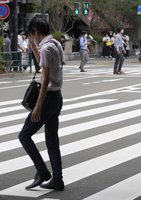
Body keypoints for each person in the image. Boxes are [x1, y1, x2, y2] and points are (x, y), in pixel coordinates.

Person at [18, 16, 65, 191]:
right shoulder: (55, 44)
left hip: (47, 99)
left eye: (32, 34)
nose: (32, 37)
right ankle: (57, 179)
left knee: (24, 135)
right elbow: (45, 65)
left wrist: (38, 105)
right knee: (52, 140)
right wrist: (32, 47)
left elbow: (44, 78)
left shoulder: (46, 48)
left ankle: (42, 171)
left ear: (36, 32)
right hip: (57, 97)